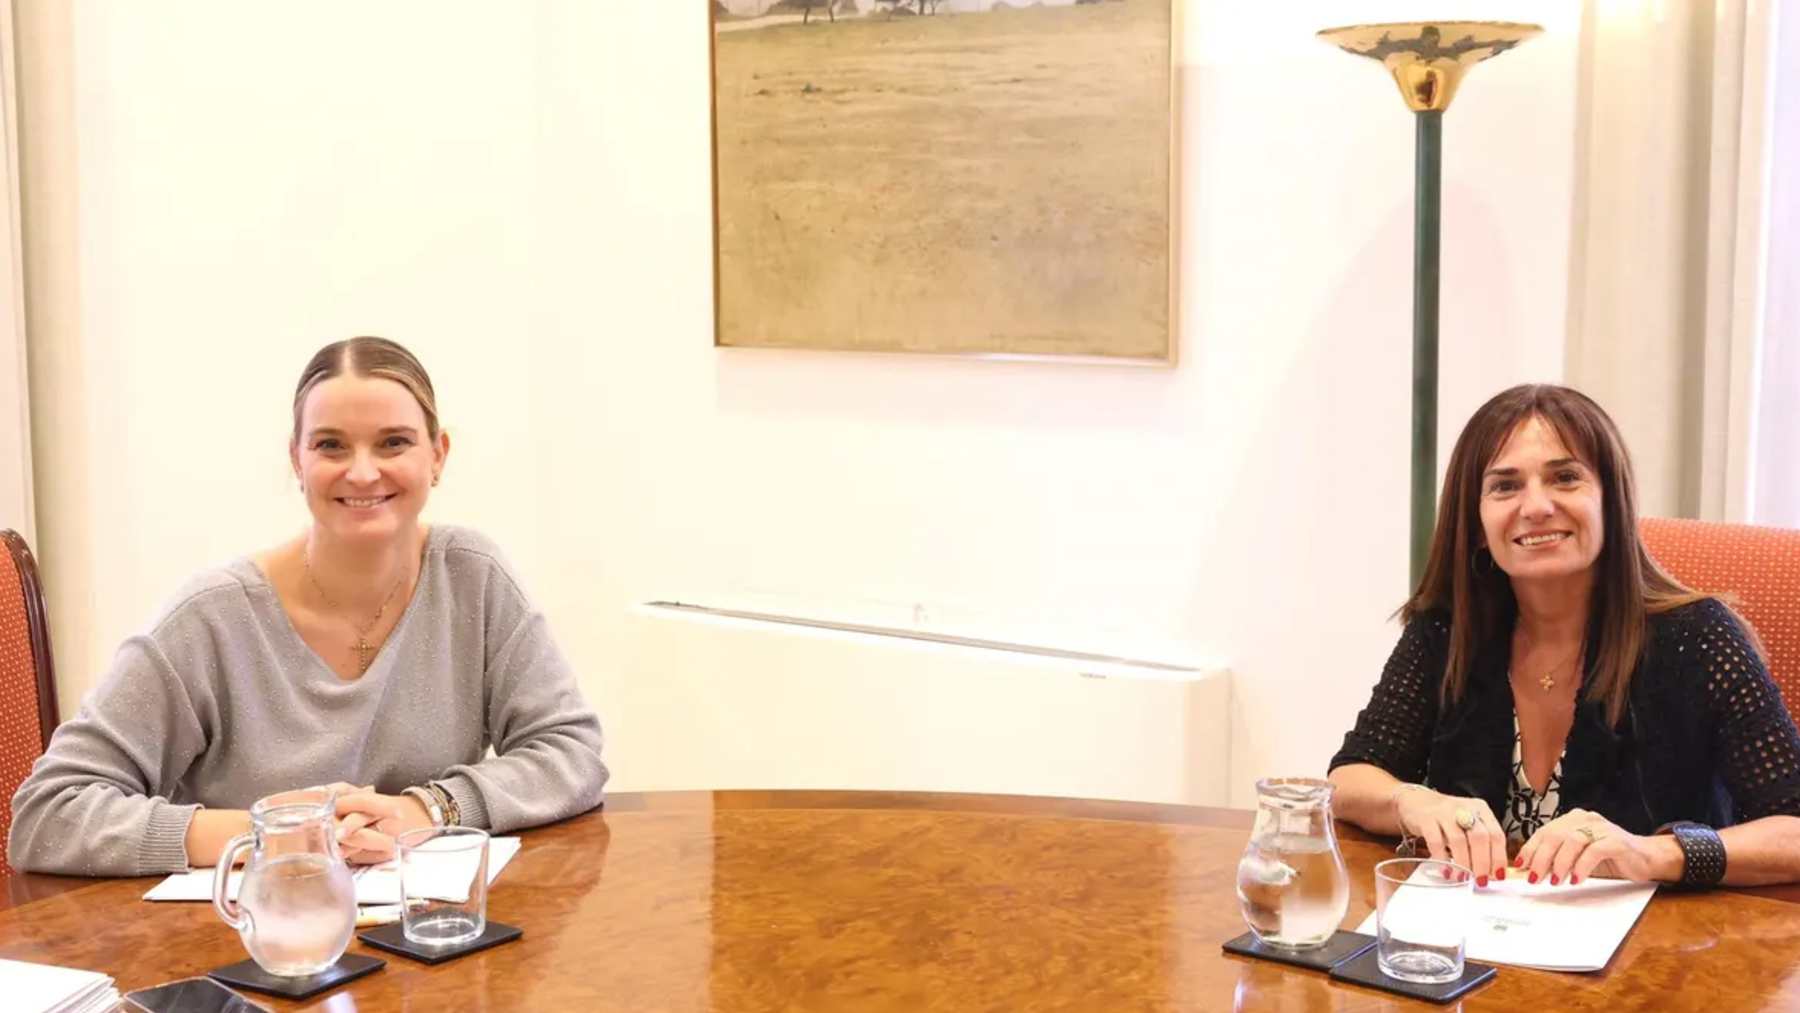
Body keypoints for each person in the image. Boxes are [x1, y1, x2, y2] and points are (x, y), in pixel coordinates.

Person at [8, 337, 608, 876]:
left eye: (394, 443)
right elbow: (48, 815)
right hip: (248, 950)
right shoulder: (209, 618)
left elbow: (570, 752)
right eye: (331, 445)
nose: (364, 471)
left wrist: (428, 808)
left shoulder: (474, 577)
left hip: (427, 943)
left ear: (438, 455)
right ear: (297, 460)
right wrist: (268, 834)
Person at [1329, 384, 1800, 889]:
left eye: (1565, 478)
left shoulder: (1699, 637)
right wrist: (1413, 801)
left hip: (1660, 954)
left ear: (1611, 500)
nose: (1536, 506)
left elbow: (1792, 828)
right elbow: (1347, 780)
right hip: (1477, 944)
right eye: (1505, 486)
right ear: (1476, 520)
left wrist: (1654, 853)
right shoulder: (1447, 630)